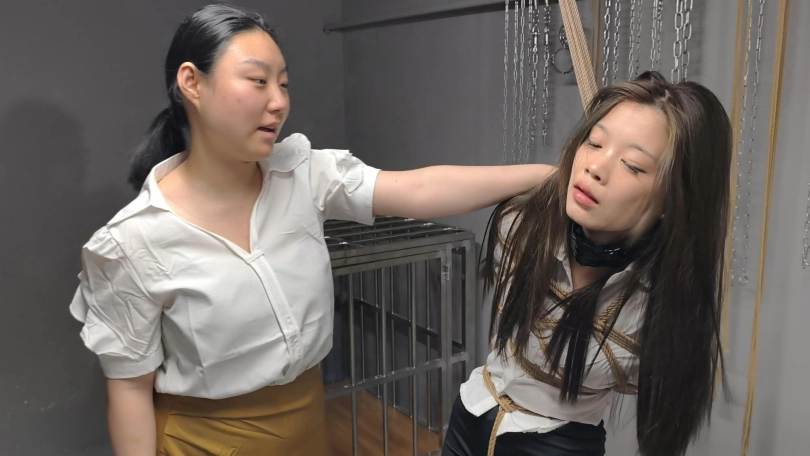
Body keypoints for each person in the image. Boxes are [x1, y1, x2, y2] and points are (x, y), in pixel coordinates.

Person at [68, 4, 553, 456]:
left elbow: (419, 188)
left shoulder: (302, 173)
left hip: (305, 422)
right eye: (258, 81)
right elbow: (129, 390)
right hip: (202, 440)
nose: (279, 102)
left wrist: (550, 175)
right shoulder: (131, 242)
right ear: (192, 83)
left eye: (283, 84)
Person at [442, 71, 732, 456]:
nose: (595, 167)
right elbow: (417, 191)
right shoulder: (523, 224)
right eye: (594, 142)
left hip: (558, 445)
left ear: (673, 199)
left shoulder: (659, 306)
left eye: (633, 165)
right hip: (472, 414)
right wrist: (541, 175)